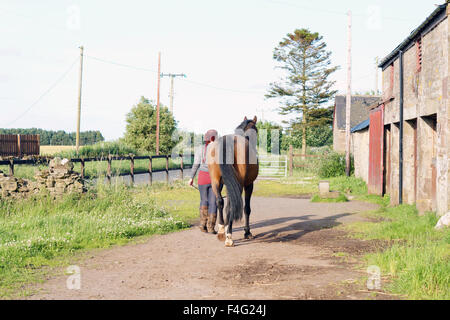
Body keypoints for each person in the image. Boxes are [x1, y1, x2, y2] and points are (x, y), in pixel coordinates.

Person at [189, 129, 218, 233]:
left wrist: (191, 177)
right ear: (214, 138)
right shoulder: (217, 148)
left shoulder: (200, 149)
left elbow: (196, 164)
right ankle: (211, 227)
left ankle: (202, 225)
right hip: (214, 177)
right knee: (213, 202)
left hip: (202, 177)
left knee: (203, 200)